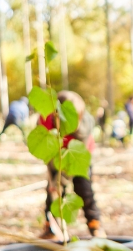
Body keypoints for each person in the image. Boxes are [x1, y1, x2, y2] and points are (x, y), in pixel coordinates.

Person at [39, 90, 105, 240]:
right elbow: (45, 150)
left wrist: (61, 180)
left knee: (84, 188)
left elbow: (74, 161)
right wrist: (53, 181)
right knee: (53, 194)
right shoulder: (46, 120)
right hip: (57, 156)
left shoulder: (85, 124)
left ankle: (95, 224)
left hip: (79, 156)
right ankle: (51, 227)